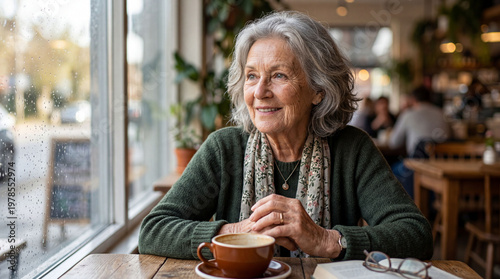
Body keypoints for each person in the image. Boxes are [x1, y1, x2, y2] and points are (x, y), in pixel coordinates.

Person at [139, 11, 433, 261]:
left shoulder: (352, 150)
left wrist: (326, 240)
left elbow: (416, 235)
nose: (260, 92)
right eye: (252, 76)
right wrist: (234, 233)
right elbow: (154, 230)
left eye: (279, 75)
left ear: (319, 90)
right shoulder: (224, 148)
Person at [388, 85, 450, 198]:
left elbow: (394, 142)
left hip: (416, 165)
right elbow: (450, 137)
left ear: (412, 99)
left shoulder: (408, 114)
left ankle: (407, 207)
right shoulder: (441, 113)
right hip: (441, 166)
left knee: (392, 171)